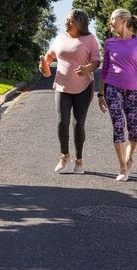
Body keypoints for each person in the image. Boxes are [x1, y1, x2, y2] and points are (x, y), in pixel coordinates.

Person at [40, 9, 100, 174]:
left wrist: (87, 68)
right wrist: (44, 64)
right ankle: (64, 157)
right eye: (66, 20)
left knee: (78, 123)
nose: (66, 23)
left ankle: (79, 161)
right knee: (62, 122)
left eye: (71, 21)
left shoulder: (89, 39)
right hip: (61, 86)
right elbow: (50, 55)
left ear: (80, 23)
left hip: (84, 88)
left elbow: (96, 61)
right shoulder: (60, 38)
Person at [98, 8, 137, 181]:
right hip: (112, 88)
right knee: (118, 124)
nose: (110, 22)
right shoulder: (109, 43)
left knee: (134, 130)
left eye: (113, 18)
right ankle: (122, 167)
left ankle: (130, 156)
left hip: (134, 90)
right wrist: (101, 94)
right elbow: (105, 70)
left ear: (123, 20)